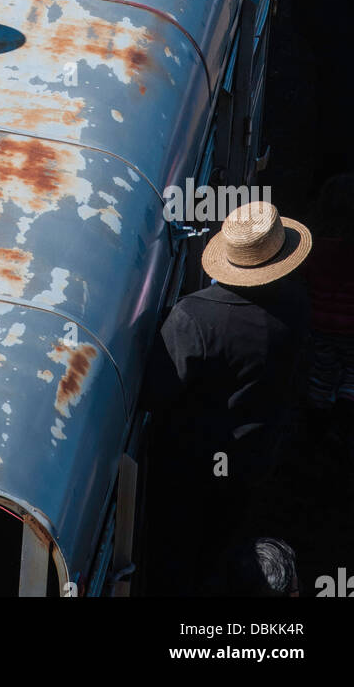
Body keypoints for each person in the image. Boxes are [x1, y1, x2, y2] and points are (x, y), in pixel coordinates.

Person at [142, 201, 311, 594]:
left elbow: (155, 393)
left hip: (193, 460)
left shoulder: (194, 317)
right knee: (222, 537)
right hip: (252, 453)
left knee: (174, 548)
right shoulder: (295, 303)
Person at [302, 174, 354, 450]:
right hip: (351, 327)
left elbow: (307, 279)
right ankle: (343, 423)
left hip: (320, 322)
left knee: (322, 373)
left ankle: (317, 428)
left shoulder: (314, 244)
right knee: (351, 375)